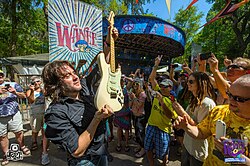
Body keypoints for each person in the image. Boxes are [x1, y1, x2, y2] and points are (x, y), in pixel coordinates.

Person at [42, 60, 114, 166]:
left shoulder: (84, 92)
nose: (75, 77)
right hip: (85, 161)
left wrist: (108, 44)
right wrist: (97, 119)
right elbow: (77, 151)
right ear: (56, 84)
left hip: (101, 153)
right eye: (67, 76)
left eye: (73, 73)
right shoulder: (56, 113)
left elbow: (102, 65)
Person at [174, 74, 250, 166]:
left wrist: (236, 156)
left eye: (239, 99)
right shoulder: (218, 111)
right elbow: (201, 133)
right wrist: (186, 126)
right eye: (230, 95)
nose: (231, 101)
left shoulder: (207, 103)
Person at [172, 72, 216, 166]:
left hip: (198, 151)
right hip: (188, 146)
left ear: (200, 83)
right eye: (188, 81)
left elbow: (200, 130)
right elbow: (188, 120)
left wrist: (181, 112)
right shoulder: (194, 100)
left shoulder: (206, 104)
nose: (188, 83)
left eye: (191, 81)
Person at [145, 55, 178, 166]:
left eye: (165, 86)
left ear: (170, 88)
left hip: (163, 130)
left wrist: (162, 102)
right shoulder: (157, 90)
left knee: (163, 153)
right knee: (148, 147)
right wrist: (156, 65)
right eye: (162, 86)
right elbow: (151, 79)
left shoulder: (173, 101)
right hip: (151, 125)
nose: (162, 88)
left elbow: (170, 116)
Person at [0, 70, 30, 166]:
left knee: (19, 132)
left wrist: (15, 92)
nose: (0, 77)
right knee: (2, 136)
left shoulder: (13, 84)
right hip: (0, 116)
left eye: (1, 75)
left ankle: (22, 146)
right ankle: (6, 154)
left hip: (14, 114)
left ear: (3, 76)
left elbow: (24, 96)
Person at [26, 76, 50, 165]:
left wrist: (42, 88)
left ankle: (43, 141)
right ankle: (34, 141)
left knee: (44, 129)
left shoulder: (43, 90)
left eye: (38, 81)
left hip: (44, 113)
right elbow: (31, 100)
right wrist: (32, 90)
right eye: (34, 82)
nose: (36, 83)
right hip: (35, 114)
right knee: (35, 130)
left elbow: (47, 95)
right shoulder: (29, 91)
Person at [129, 78, 147, 158]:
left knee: (140, 133)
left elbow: (139, 105)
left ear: (140, 85)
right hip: (135, 115)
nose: (135, 86)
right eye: (134, 84)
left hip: (140, 116)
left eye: (137, 84)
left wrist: (134, 98)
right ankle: (140, 146)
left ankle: (143, 148)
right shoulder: (135, 93)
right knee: (136, 133)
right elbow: (131, 104)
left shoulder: (143, 94)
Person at [113, 77, 131, 152]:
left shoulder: (125, 89)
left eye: (123, 81)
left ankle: (126, 144)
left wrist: (126, 77)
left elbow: (132, 81)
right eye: (120, 81)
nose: (122, 82)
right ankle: (119, 143)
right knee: (120, 129)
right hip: (118, 112)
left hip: (125, 112)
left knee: (126, 129)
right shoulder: (115, 89)